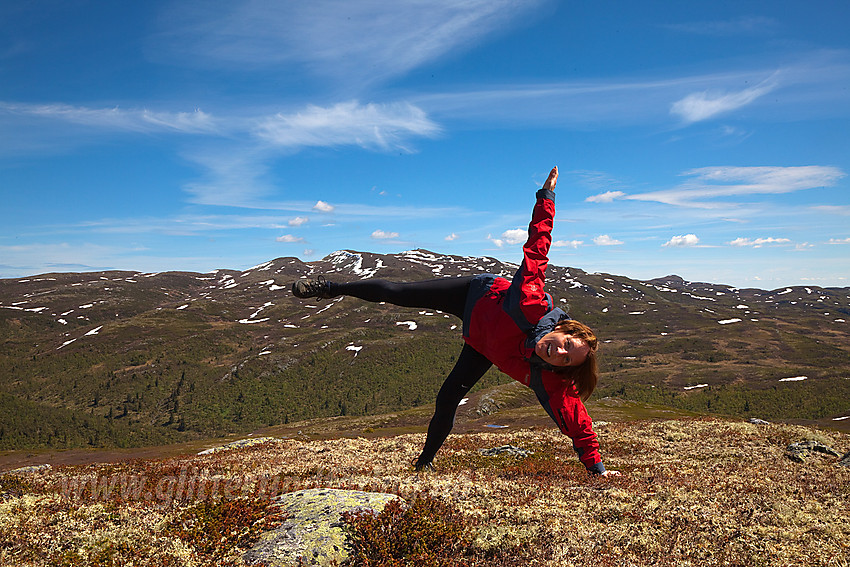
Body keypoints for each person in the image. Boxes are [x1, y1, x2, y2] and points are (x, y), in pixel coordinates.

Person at [292, 167, 620, 477]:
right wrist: (546, 198)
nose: (558, 352)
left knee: (447, 398)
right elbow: (537, 251)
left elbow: (578, 422)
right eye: (565, 344)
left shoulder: (549, 379)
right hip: (476, 297)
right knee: (397, 292)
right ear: (561, 329)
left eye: (565, 359)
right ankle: (330, 288)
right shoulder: (530, 303)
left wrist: (598, 470)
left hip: (483, 345)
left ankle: (424, 464)